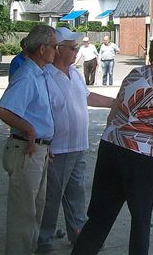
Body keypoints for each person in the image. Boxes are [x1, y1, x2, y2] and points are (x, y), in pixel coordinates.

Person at [72, 30, 153, 255]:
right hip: (138, 158)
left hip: (110, 148)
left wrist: (113, 139)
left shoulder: (134, 74)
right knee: (141, 223)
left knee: (99, 219)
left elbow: (113, 113)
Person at [36, 28, 115, 254]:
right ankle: (43, 241)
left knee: (76, 194)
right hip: (57, 149)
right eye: (72, 48)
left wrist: (115, 102)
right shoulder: (46, 76)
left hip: (78, 146)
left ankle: (79, 236)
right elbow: (38, 112)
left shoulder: (75, 74)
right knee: (52, 198)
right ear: (58, 50)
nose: (76, 51)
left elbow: (88, 97)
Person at [0, 25, 57, 255]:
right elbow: (3, 110)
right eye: (54, 46)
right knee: (23, 217)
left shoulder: (39, 73)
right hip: (25, 151)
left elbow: (36, 112)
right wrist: (31, 131)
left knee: (34, 214)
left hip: (37, 151)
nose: (56, 51)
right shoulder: (27, 75)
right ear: (42, 49)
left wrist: (44, 141)